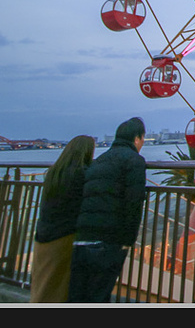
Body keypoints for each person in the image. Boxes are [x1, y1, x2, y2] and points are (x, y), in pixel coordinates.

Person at [68, 117, 147, 303]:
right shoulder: (134, 161)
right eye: (143, 138)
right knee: (99, 295)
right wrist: (128, 240)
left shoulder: (98, 161)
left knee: (76, 295)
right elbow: (134, 202)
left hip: (82, 237)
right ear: (137, 139)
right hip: (108, 240)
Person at [30, 135, 95, 303]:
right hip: (65, 236)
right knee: (60, 288)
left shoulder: (54, 172)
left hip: (43, 234)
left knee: (43, 284)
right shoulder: (82, 174)